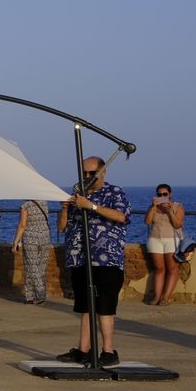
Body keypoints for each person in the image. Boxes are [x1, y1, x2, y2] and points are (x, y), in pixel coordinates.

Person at [56, 157, 130, 366]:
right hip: (80, 258)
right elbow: (62, 227)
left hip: (106, 259)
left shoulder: (114, 192)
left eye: (91, 173)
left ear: (102, 172)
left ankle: (108, 351)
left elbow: (121, 216)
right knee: (85, 306)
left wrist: (92, 206)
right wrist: (64, 208)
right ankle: (83, 350)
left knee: (105, 306)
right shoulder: (77, 196)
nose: (87, 177)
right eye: (84, 173)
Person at [144, 184, 185, 306]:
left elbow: (178, 224)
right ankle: (157, 297)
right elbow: (147, 221)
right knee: (159, 269)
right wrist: (153, 207)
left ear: (170, 195)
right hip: (155, 239)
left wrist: (169, 211)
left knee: (172, 269)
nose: (162, 196)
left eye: (164, 194)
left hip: (172, 240)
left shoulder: (177, 207)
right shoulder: (153, 207)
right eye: (159, 194)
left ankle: (165, 297)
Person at [12, 200, 53, 304]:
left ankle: (40, 294)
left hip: (31, 237)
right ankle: (30, 296)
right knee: (41, 267)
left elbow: (22, 225)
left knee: (31, 266)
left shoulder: (25, 205)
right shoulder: (44, 203)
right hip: (45, 236)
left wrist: (15, 242)